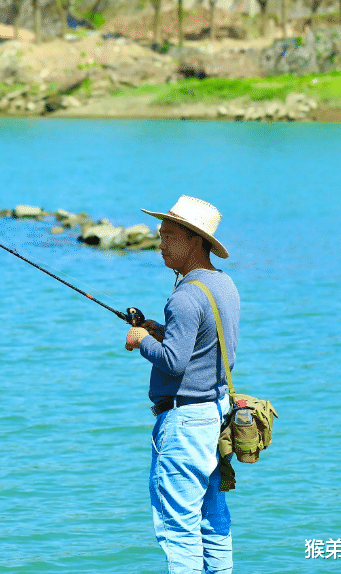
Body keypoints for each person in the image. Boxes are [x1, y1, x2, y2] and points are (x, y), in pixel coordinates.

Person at [125, 195, 240, 574]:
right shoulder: (223, 285)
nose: (160, 244)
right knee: (213, 520)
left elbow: (174, 363)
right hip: (213, 413)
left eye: (169, 235)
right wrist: (161, 332)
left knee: (178, 528)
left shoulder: (187, 295)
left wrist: (142, 341)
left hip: (184, 423)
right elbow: (206, 346)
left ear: (193, 239)